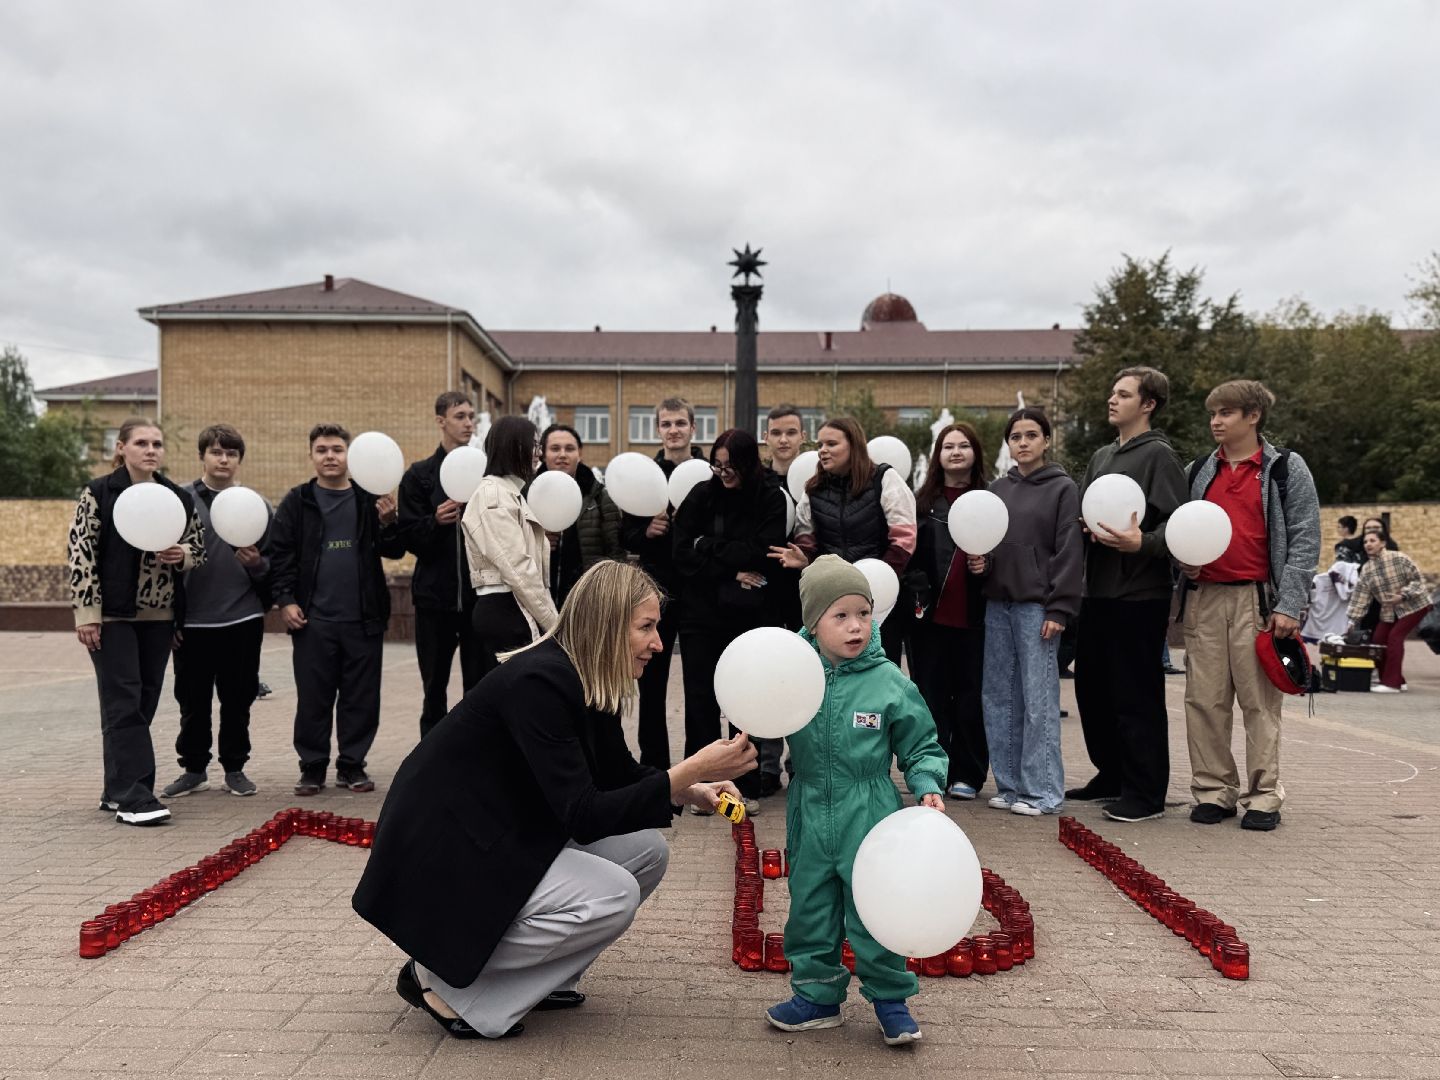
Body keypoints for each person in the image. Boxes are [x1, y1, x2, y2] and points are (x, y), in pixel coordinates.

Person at [351, 561, 758, 1040]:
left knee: (647, 851)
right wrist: (692, 768)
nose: (658, 643)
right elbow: (584, 814)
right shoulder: (539, 681)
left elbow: (616, 772)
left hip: (500, 834)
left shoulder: (586, 674)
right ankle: (438, 979)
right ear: (607, 625)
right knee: (613, 895)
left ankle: (541, 981)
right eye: (646, 627)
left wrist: (692, 788)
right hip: (449, 853)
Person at [764, 555, 946, 1047]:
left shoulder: (889, 681)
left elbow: (921, 743)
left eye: (863, 613)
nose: (855, 626)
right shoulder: (794, 674)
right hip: (808, 809)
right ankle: (817, 997)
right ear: (812, 623)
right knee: (810, 906)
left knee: (874, 907)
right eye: (840, 615)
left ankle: (891, 999)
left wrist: (927, 782)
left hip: (869, 810)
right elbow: (764, 715)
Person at [1177, 380, 1320, 832]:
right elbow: (1182, 530)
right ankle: (1213, 791)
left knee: (1259, 703)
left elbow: (1305, 538)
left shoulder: (1285, 468)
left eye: (1226, 413)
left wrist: (1290, 603)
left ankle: (1263, 796)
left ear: (1253, 415)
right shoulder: (1198, 471)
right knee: (1204, 701)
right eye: (1212, 414)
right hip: (1204, 598)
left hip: (1257, 600)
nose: (1215, 422)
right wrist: (1183, 562)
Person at [68, 417, 205, 826]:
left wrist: (183, 554)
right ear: (121, 448)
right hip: (113, 616)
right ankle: (135, 798)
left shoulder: (176, 497)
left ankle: (115, 788)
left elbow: (198, 546)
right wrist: (87, 615)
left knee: (140, 704)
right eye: (141, 443)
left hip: (160, 617)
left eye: (157, 444)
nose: (150, 450)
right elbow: (81, 554)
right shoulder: (99, 492)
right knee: (124, 701)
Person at [1069, 368, 1188, 823]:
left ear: (1148, 404)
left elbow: (1179, 525)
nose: (1112, 399)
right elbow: (1087, 508)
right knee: (1093, 690)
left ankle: (1145, 792)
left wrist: (1144, 543)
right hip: (1097, 591)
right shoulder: (1102, 456)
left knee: (1135, 695)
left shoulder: (1159, 456)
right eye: (1112, 392)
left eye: (1123, 394)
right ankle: (1112, 774)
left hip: (1140, 595)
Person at [270, 423, 405, 796]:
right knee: (313, 699)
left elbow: (394, 550)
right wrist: (286, 599)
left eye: (336, 450)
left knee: (361, 698)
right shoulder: (298, 501)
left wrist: (390, 522)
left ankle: (352, 765)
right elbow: (280, 555)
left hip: (363, 619)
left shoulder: (369, 499)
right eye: (322, 450)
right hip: (313, 621)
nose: (329, 456)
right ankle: (312, 768)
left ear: (350, 456)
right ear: (311, 455)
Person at [970, 407, 1082, 817]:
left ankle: (1043, 792)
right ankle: (1010, 785)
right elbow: (988, 541)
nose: (1023, 442)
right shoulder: (998, 489)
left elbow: (1069, 550)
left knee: (1038, 702)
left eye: (1031, 435)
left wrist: (1059, 607)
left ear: (1046, 440)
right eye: (1015, 436)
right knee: (998, 698)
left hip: (1038, 607)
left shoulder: (1063, 489)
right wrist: (982, 565)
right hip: (998, 605)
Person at [671, 429, 789, 815]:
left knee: (744, 701)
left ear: (748, 464)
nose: (723, 474)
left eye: (731, 466)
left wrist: (706, 545)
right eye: (717, 466)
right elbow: (680, 553)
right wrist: (730, 570)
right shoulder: (701, 495)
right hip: (701, 614)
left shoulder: (769, 497)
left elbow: (761, 552)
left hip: (750, 617)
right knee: (700, 700)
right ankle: (701, 788)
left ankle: (745, 785)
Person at [163, 424, 271, 801]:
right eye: (216, 452)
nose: (224, 459)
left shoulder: (256, 506)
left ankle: (235, 769)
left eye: (231, 453)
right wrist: (172, 619)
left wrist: (257, 564)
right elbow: (161, 565)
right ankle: (194, 770)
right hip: (192, 622)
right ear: (202, 456)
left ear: (239, 460)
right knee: (192, 702)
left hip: (242, 618)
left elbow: (273, 564)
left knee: (238, 699)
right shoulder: (179, 501)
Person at [769, 417, 917, 664]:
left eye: (831, 444)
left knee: (876, 671)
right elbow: (806, 538)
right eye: (820, 445)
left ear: (853, 445)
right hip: (832, 601)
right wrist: (804, 558)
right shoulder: (813, 488)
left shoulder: (884, 478)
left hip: (880, 601)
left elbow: (904, 538)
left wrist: (877, 582)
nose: (822, 450)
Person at [906, 422, 990, 800]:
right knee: (931, 698)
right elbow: (908, 555)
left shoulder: (989, 500)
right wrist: (916, 584)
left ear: (975, 453)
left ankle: (968, 773)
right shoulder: (922, 502)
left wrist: (987, 565)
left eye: (963, 445)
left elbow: (1005, 550)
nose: (956, 452)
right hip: (928, 618)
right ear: (938, 455)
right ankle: (934, 770)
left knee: (970, 698)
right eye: (948, 446)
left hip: (974, 617)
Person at [620, 397, 705, 769]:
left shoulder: (707, 473)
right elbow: (624, 534)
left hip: (699, 592)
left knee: (699, 688)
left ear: (693, 428)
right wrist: (646, 531)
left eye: (680, 423)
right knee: (651, 686)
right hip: (654, 593)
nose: (674, 430)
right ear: (658, 429)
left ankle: (697, 767)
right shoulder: (645, 475)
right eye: (667, 424)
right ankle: (654, 768)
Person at [396, 392, 484, 739]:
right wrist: (434, 521)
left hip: (479, 600)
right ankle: (431, 756)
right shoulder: (419, 476)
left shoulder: (485, 474)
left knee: (479, 687)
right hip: (434, 601)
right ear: (441, 421)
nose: (468, 423)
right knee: (434, 687)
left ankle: (474, 753)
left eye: (471, 416)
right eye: (460, 416)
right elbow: (408, 538)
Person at [461, 415, 558, 677]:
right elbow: (517, 569)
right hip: (506, 609)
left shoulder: (510, 494)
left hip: (514, 606)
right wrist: (554, 624)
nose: (539, 454)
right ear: (513, 446)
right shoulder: (494, 497)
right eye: (533, 445)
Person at [536, 423, 624, 607]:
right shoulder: (528, 494)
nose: (562, 455)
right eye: (555, 449)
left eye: (569, 449)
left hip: (586, 599)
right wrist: (536, 539)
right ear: (543, 454)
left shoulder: (599, 496)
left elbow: (615, 551)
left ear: (580, 454)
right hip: (538, 599)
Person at [1347, 532, 1432, 692]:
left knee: (1394, 637)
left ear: (1383, 543)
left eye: (1372, 540)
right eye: (1365, 541)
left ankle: (1392, 684)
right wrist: (1352, 620)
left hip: (1415, 605)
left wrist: (1403, 595)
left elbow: (1419, 581)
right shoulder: (1367, 569)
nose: (1368, 544)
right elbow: (1361, 597)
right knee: (1378, 640)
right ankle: (1397, 680)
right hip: (1389, 609)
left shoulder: (1399, 558)